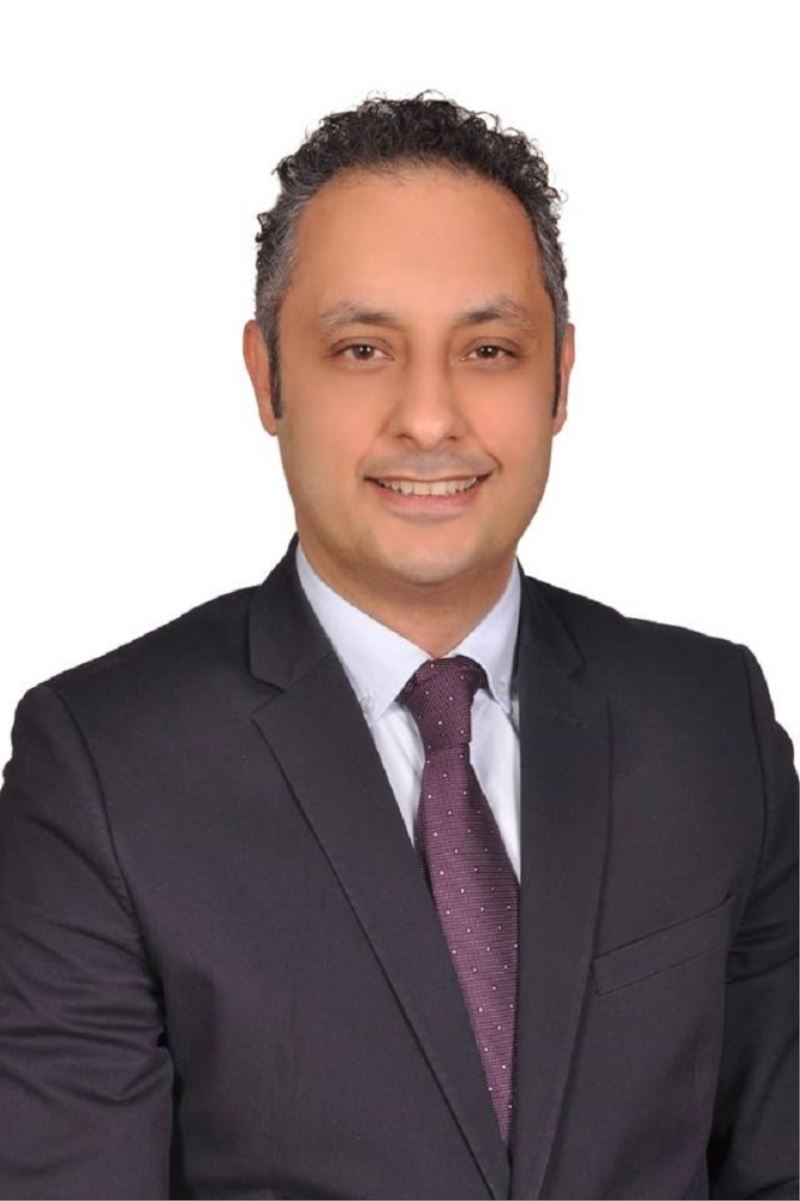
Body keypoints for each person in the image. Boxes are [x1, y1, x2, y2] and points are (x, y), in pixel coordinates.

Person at [0, 91, 796, 1201]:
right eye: (362, 348)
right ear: (268, 376)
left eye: (489, 348)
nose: (428, 418)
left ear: (560, 377)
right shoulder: (99, 768)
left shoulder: (712, 721)